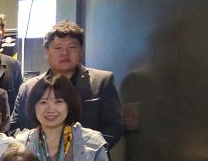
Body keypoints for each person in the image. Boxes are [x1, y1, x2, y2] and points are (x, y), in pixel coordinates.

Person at [10, 20, 124, 149]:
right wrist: (37, 147)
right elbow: (15, 128)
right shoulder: (28, 87)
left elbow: (115, 125)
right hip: (39, 158)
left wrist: (90, 150)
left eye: (72, 47)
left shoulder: (102, 81)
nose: (65, 53)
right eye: (58, 48)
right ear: (46, 52)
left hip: (89, 157)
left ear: (81, 50)